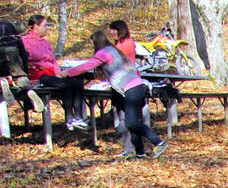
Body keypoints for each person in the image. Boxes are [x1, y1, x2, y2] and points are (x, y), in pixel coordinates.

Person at [62, 31, 168, 159]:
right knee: (131, 124)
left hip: (132, 89)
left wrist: (67, 73)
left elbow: (87, 66)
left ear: (96, 42)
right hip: (137, 86)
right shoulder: (115, 51)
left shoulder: (104, 53)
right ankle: (140, 153)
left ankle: (158, 142)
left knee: (131, 122)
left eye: (92, 44)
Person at [21, 14, 86, 130]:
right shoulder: (25, 41)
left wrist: (59, 73)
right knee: (68, 84)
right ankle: (69, 118)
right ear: (36, 26)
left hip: (51, 75)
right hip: (38, 76)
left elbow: (53, 61)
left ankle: (78, 117)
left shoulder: (46, 43)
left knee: (77, 83)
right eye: (45, 25)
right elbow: (27, 59)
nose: (47, 28)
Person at [0, 19, 44, 112]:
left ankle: (3, 81)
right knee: (20, 76)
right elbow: (22, 50)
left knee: (2, 74)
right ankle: (27, 88)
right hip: (13, 51)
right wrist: (25, 73)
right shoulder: (8, 24)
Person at [107, 20, 137, 156]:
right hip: (118, 83)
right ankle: (127, 147)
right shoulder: (117, 44)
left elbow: (115, 59)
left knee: (127, 117)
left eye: (114, 29)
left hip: (128, 83)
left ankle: (132, 148)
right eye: (110, 30)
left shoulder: (127, 44)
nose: (112, 32)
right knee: (121, 116)